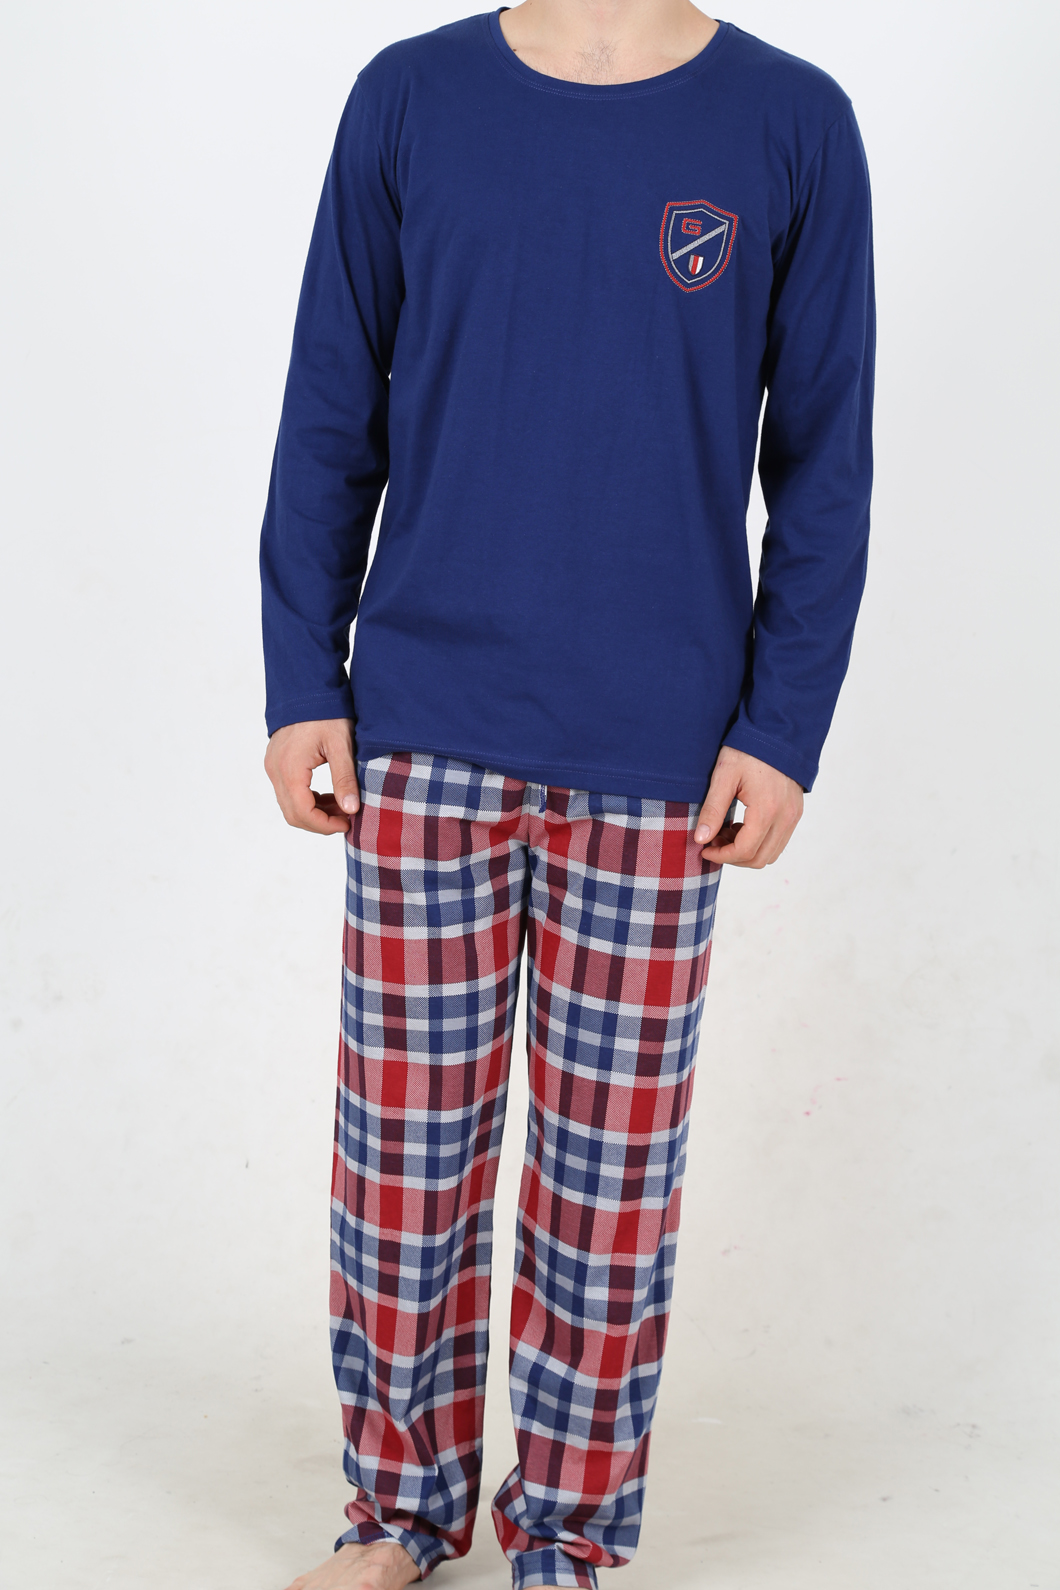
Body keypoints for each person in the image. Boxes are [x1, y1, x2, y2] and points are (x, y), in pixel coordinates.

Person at [260, 1, 874, 1586]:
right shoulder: (409, 97)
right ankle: (399, 1512)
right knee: (404, 1162)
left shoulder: (792, 123)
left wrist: (784, 725)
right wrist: (300, 674)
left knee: (608, 1187)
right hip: (424, 725)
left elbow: (825, 457)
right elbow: (331, 399)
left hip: (661, 753)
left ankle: (572, 1537)